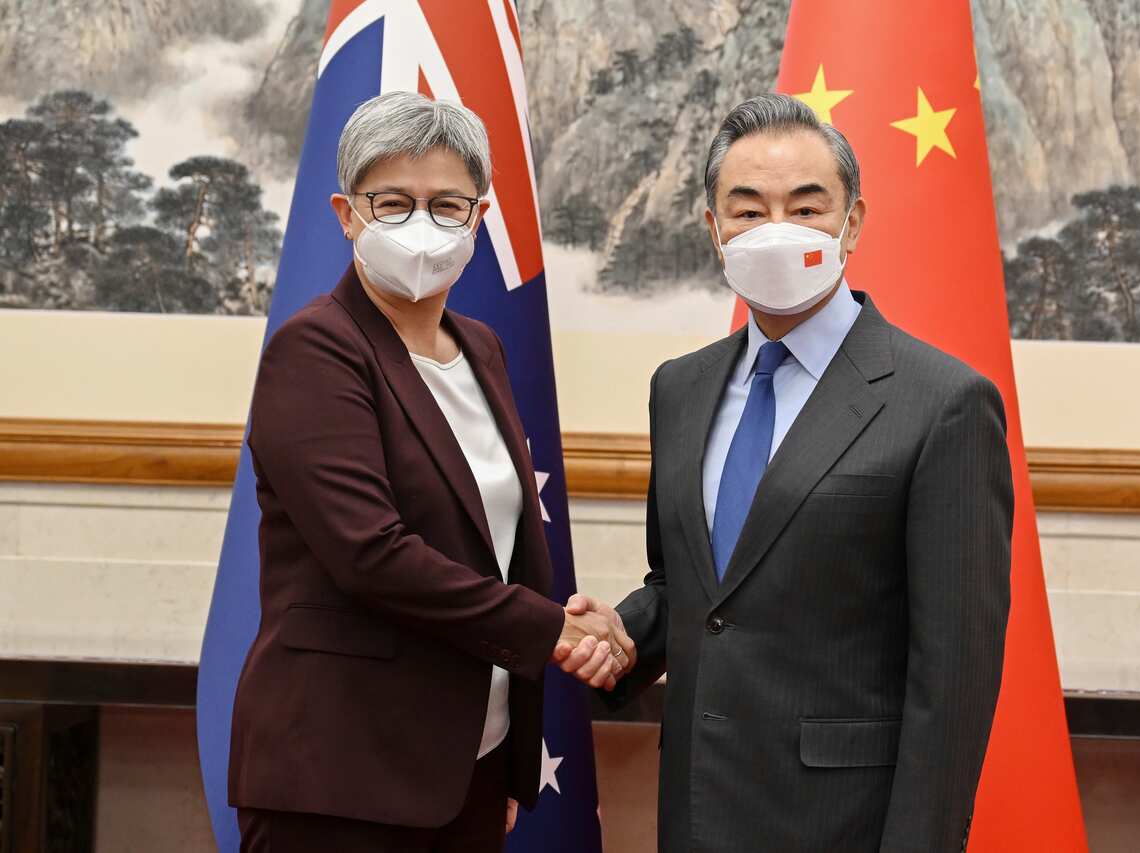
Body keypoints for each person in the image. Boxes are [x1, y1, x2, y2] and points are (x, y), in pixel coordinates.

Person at [559, 93, 1013, 852]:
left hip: (843, 824)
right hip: (697, 809)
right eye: (747, 210)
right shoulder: (681, 387)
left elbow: (954, 677)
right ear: (713, 229)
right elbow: (693, 588)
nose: (775, 230)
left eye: (806, 208)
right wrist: (623, 634)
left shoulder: (943, 403)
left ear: (853, 223)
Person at [228, 91, 629, 853]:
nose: (422, 226)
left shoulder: (480, 347)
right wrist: (554, 630)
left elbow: (495, 542)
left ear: (479, 217)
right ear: (347, 213)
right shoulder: (315, 350)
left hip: (461, 767)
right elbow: (369, 552)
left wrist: (501, 761)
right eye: (394, 202)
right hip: (342, 773)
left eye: (448, 204)